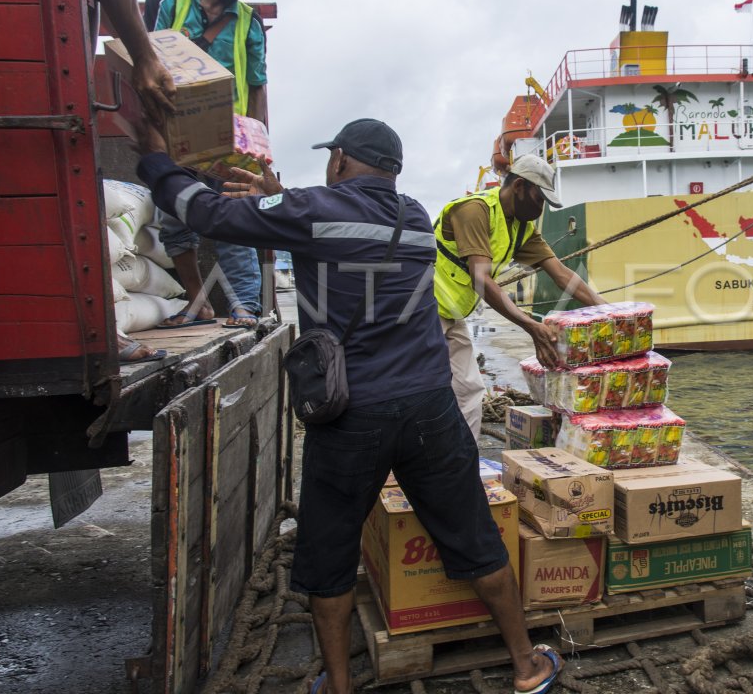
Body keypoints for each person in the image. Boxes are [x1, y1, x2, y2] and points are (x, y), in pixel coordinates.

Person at [136, 118, 564, 694]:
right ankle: (525, 665)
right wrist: (280, 201)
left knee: (329, 552)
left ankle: (338, 687)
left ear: (339, 160)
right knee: (474, 535)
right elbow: (335, 228)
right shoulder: (414, 215)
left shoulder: (310, 209)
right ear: (393, 171)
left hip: (350, 415)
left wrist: (158, 157)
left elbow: (206, 215)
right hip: (429, 407)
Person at [433, 154, 606, 436]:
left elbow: (561, 274)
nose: (542, 208)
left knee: (469, 391)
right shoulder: (475, 210)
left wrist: (611, 311)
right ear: (520, 187)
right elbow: (481, 279)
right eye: (540, 199)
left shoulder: (521, 228)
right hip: (423, 311)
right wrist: (531, 326)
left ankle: (462, 463)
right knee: (419, 390)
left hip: (452, 315)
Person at [151, 0, 269, 330]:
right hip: (179, 132)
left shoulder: (250, 23)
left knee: (233, 223)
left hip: (228, 140)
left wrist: (261, 151)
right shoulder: (173, 4)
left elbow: (257, 87)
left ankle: (245, 307)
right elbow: (151, 60)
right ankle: (196, 302)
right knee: (175, 220)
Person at [85, 0, 176, 363]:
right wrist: (144, 57)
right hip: (168, 107)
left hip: (199, 130)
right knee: (179, 218)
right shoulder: (174, 3)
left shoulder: (243, 25)